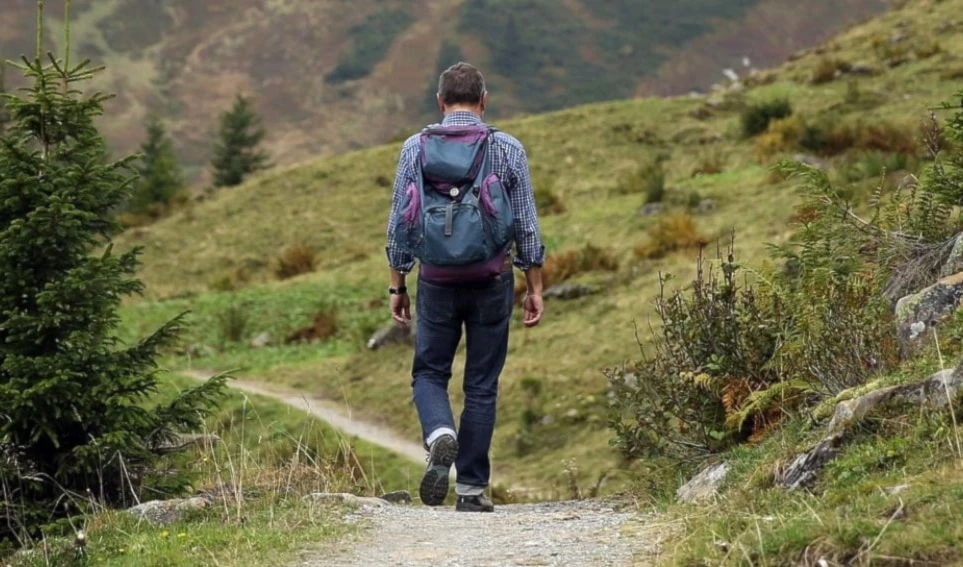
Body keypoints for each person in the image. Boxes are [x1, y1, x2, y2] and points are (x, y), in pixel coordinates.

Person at [384, 62, 545, 512]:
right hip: (492, 278)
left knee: (429, 372)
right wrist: (534, 285)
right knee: (481, 384)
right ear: (483, 99)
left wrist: (398, 285)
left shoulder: (414, 148)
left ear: (440, 101)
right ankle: (472, 490)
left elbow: (400, 221)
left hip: (435, 279)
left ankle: (440, 433)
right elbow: (527, 225)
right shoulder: (507, 148)